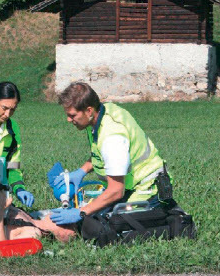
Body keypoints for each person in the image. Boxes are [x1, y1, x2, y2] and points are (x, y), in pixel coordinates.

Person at [48, 82, 175, 230]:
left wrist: (81, 213)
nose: (68, 120)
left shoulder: (112, 136)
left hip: (148, 191)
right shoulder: (102, 113)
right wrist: (81, 171)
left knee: (98, 226)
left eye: (72, 115)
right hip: (133, 187)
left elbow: (116, 190)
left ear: (89, 111)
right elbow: (102, 154)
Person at [0, 82, 35, 207]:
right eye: (4, 108)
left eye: (13, 110)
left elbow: (13, 166)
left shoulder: (13, 128)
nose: (8, 114)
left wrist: (19, 189)